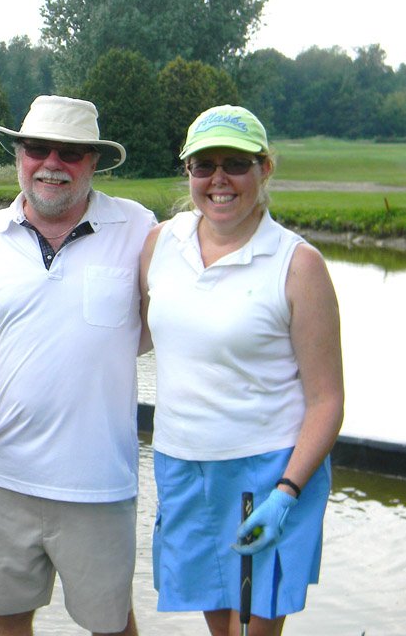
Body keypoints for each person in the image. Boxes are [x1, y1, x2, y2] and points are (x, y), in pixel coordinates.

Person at [0, 95, 155, 636]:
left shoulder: (139, 228)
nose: (51, 163)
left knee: (112, 626)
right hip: (3, 477)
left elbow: (165, 323)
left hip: (100, 485)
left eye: (71, 152)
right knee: (6, 620)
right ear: (19, 155)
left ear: (94, 161)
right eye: (37, 148)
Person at [139, 105, 345, 636]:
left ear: (264, 168)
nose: (219, 179)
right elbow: (138, 335)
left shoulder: (298, 264)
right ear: (188, 171)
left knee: (253, 628)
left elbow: (326, 401)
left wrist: (287, 491)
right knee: (219, 625)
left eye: (235, 164)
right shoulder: (160, 244)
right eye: (204, 165)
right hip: (183, 462)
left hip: (268, 471)